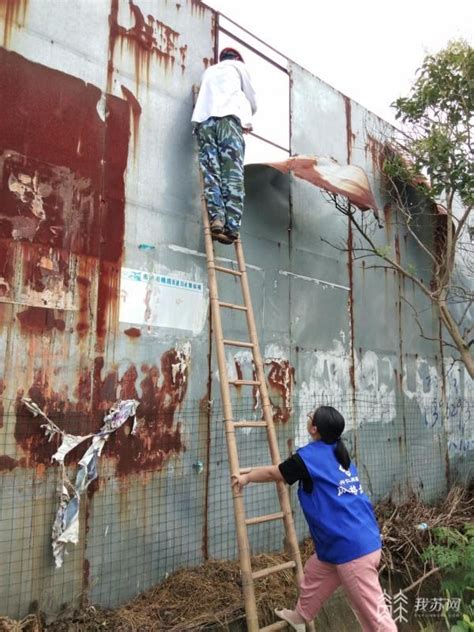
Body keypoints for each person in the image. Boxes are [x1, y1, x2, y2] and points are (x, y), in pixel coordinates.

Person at [232, 406, 397, 632]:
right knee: (315, 572)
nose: (309, 417)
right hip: (356, 539)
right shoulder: (340, 453)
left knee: (375, 618)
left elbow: (274, 473)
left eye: (311, 416)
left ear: (314, 428)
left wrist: (247, 477)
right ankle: (301, 616)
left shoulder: (308, 459)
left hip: (352, 550)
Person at [192, 47, 257, 245]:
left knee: (211, 172)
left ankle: (216, 219)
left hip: (204, 123)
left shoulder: (209, 72)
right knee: (232, 173)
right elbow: (252, 100)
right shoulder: (239, 67)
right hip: (228, 121)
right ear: (237, 58)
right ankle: (232, 227)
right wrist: (246, 119)